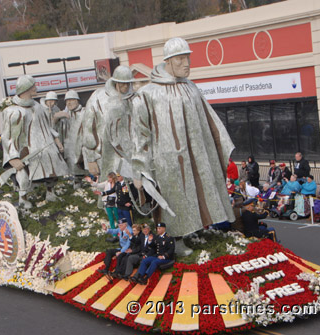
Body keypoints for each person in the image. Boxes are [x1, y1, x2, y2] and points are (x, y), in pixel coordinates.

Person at [131, 37, 235, 256]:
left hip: (195, 155)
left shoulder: (191, 88)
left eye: (188, 57)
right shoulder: (147, 93)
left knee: (195, 191)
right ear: (168, 61)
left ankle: (191, 230)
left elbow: (209, 121)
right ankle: (173, 240)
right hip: (166, 161)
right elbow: (140, 134)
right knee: (172, 198)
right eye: (180, 59)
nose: (186, 63)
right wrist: (140, 167)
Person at [1, 75, 68, 207]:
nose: (36, 88)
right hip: (26, 150)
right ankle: (23, 198)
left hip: (45, 146)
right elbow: (8, 136)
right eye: (33, 86)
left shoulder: (37, 106)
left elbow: (47, 126)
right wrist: (13, 157)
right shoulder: (13, 111)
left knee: (51, 169)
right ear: (26, 88)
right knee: (24, 174)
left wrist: (57, 141)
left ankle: (50, 192)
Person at [82, 65, 135, 179]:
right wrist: (91, 158)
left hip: (130, 155)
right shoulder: (98, 97)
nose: (125, 86)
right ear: (115, 81)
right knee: (110, 188)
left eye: (128, 83)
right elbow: (88, 127)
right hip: (104, 154)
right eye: (122, 83)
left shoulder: (134, 98)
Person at [63, 90, 86, 188]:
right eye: (67, 101)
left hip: (83, 145)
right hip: (70, 148)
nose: (69, 103)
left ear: (77, 101)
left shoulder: (85, 112)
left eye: (71, 100)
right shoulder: (65, 116)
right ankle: (77, 183)